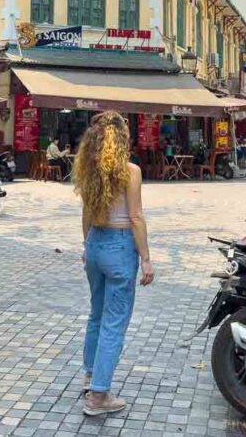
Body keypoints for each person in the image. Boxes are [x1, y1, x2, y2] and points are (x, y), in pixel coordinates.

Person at [73, 111, 154, 416]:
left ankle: (91, 375)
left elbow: (85, 213)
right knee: (114, 322)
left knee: (97, 315)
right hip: (120, 247)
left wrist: (86, 245)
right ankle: (98, 397)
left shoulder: (88, 168)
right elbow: (135, 217)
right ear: (122, 138)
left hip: (94, 242)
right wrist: (145, 258)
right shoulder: (130, 171)